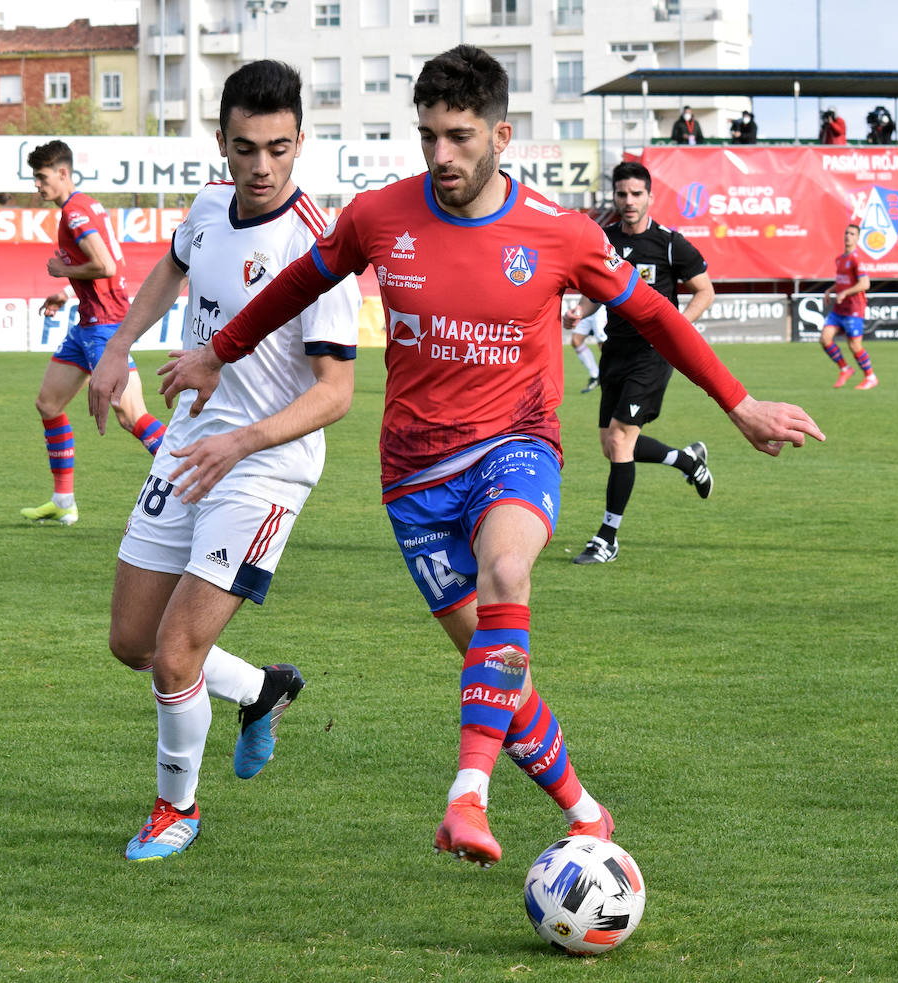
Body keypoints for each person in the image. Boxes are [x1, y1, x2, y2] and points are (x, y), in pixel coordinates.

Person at [160, 44, 824, 868]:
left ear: (501, 135)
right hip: (413, 477)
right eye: (429, 135)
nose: (441, 154)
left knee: (509, 575)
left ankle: (465, 797)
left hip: (516, 445)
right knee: (494, 666)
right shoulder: (379, 216)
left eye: (460, 136)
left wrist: (740, 403)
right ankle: (585, 810)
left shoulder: (559, 233)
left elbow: (655, 314)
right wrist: (216, 351)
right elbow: (295, 285)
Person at [86, 60, 361, 862]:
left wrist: (241, 441)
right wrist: (117, 347)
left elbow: (336, 392)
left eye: (279, 148)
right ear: (223, 145)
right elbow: (172, 266)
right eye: (246, 148)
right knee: (132, 641)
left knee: (176, 653)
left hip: (264, 464)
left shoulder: (319, 248)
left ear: (301, 141)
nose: (263, 166)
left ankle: (177, 809)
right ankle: (263, 689)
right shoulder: (208, 207)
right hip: (184, 445)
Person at [563, 160, 717, 566]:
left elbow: (705, 291)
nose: (628, 202)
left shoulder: (669, 243)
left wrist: (675, 328)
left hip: (652, 355)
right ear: (613, 197)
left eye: (636, 194)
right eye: (621, 194)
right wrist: (579, 309)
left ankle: (606, 538)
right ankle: (687, 460)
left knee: (619, 441)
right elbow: (595, 290)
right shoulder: (605, 238)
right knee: (611, 447)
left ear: (650, 196)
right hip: (615, 351)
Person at [19, 139, 167, 525]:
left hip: (106, 327)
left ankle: (199, 481)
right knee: (48, 404)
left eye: (41, 176)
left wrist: (61, 271)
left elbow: (104, 267)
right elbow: (99, 267)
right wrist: (65, 291)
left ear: (63, 173)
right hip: (87, 325)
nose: (37, 185)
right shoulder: (82, 206)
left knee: (131, 415)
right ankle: (63, 500)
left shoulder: (74, 213)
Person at [821, 222, 877, 390]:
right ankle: (845, 369)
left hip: (854, 308)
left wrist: (845, 293)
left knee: (854, 345)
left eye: (852, 234)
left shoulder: (856, 259)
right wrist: (830, 290)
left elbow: (865, 283)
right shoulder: (840, 259)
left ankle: (870, 376)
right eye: (847, 233)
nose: (848, 236)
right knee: (825, 338)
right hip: (839, 308)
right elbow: (842, 282)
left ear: (858, 238)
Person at [566, 294, 606, 393]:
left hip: (600, 306)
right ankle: (595, 376)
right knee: (576, 340)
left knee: (603, 344)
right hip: (587, 304)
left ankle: (611, 376)